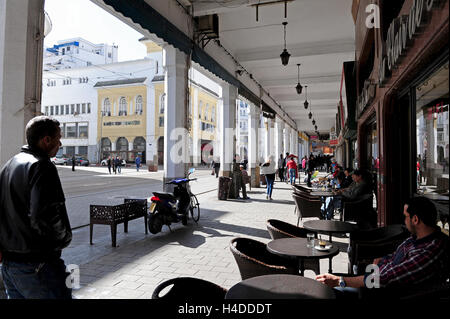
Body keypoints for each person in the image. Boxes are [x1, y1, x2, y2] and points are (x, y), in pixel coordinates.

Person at [316, 197, 449, 299]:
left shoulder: (430, 250)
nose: (404, 221)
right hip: (372, 280)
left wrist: (339, 280)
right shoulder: (417, 238)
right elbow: (391, 258)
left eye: (405, 216)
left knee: (324, 292)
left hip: (380, 293)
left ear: (415, 219)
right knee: (322, 285)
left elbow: (384, 279)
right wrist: (378, 263)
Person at [0, 116, 72, 299]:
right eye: (58, 137)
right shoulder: (42, 166)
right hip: (37, 266)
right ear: (46, 140)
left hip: (9, 266)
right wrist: (63, 239)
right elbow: (44, 216)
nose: (60, 143)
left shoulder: (9, 165)